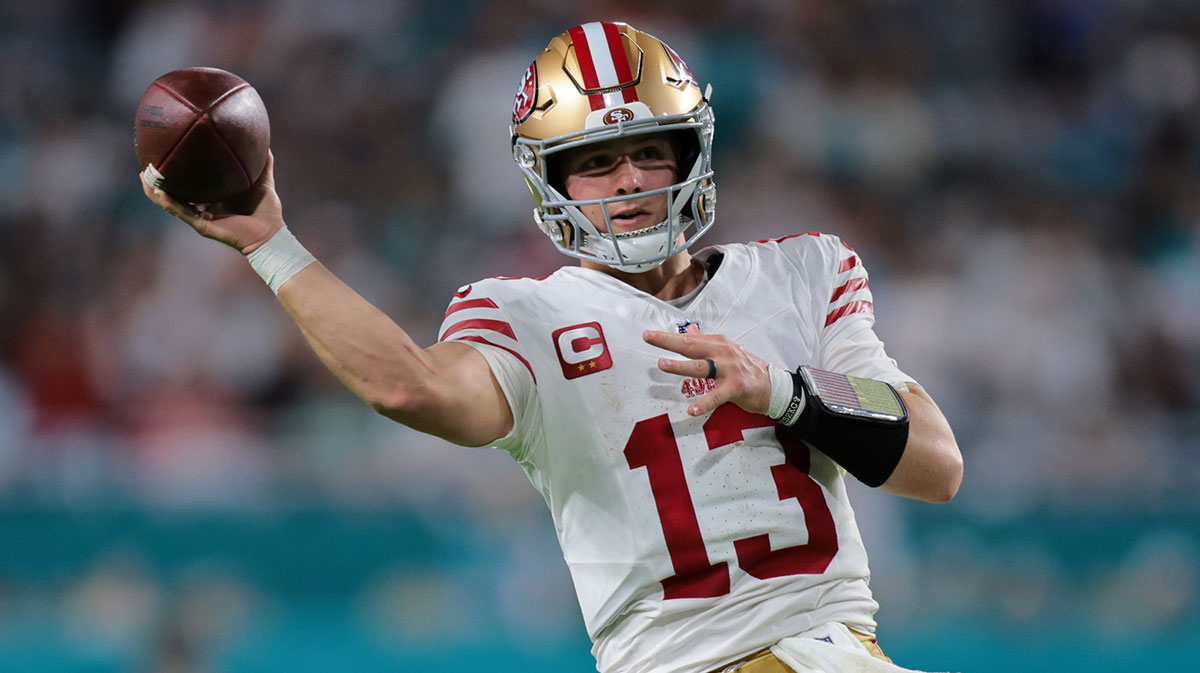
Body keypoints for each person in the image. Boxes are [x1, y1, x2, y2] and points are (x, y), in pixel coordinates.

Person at [141, 21, 962, 673]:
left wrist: (783, 389)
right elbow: (410, 387)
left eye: (649, 151)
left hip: (835, 647)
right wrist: (273, 244)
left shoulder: (805, 271)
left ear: (691, 153)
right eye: (595, 162)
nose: (629, 180)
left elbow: (936, 463)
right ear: (552, 181)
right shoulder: (526, 314)